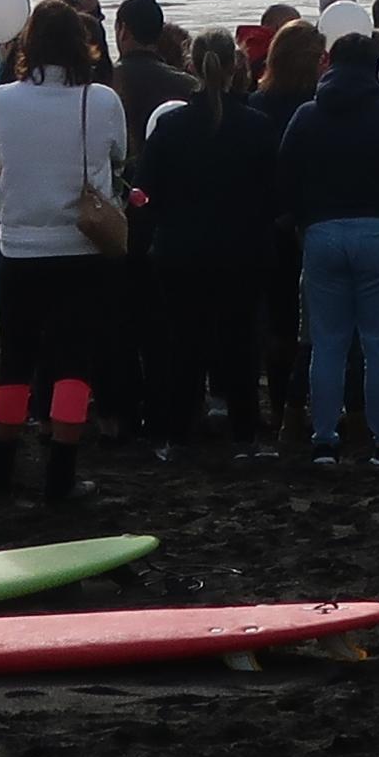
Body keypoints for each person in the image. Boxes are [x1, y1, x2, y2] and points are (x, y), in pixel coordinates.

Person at [271, 20, 379, 469]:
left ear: (330, 64)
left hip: (323, 233)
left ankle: (324, 441)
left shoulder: (307, 115)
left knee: (327, 344)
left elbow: (283, 180)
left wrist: (300, 222)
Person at [0, 0, 126, 505]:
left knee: (16, 360)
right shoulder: (101, 100)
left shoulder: (3, 99)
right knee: (73, 362)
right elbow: (119, 155)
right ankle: (61, 476)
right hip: (80, 245)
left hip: (18, 246)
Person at [130, 26, 286, 459]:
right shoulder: (257, 126)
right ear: (237, 66)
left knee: (184, 346)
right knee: (240, 346)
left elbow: (144, 192)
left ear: (191, 66)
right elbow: (276, 194)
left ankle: (177, 438)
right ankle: (245, 437)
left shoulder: (171, 127)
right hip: (244, 251)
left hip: (181, 250)